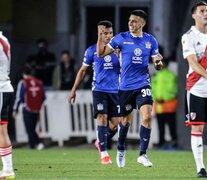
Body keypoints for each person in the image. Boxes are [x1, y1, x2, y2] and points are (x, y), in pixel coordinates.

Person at [97, 10, 163, 168]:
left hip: (143, 84)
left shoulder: (150, 40)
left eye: (134, 21)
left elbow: (157, 62)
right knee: (125, 121)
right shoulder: (121, 38)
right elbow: (101, 53)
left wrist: (159, 64)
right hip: (125, 87)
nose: (131, 23)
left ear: (142, 23)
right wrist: (101, 36)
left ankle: (142, 154)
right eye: (129, 21)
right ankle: (120, 148)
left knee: (147, 117)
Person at [68, 20, 120, 165]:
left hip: (116, 91)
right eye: (105, 33)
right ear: (99, 34)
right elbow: (83, 71)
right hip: (99, 90)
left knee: (115, 124)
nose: (109, 36)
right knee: (102, 117)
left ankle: (100, 141)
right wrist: (73, 90)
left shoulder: (118, 50)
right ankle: (104, 153)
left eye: (110, 33)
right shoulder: (91, 51)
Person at [181, 1, 207, 178]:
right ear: (194, 15)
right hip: (196, 88)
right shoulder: (188, 36)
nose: (206, 13)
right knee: (197, 130)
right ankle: (200, 168)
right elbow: (192, 63)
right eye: (202, 11)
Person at [13, 64, 46, 150]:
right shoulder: (38, 82)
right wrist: (38, 105)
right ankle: (36, 144)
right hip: (36, 109)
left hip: (26, 108)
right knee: (32, 128)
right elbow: (43, 96)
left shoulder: (23, 82)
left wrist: (15, 109)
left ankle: (35, 144)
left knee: (29, 129)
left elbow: (19, 97)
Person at [151, 60, 178, 149]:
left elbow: (173, 90)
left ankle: (174, 141)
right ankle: (161, 142)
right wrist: (156, 97)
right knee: (160, 126)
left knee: (171, 126)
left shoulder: (171, 76)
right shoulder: (156, 76)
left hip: (169, 105)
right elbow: (153, 89)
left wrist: (163, 98)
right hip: (159, 106)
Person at [0, 31, 15, 178]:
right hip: (3, 88)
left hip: (1, 89)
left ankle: (8, 169)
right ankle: (7, 169)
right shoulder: (3, 39)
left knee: (1, 131)